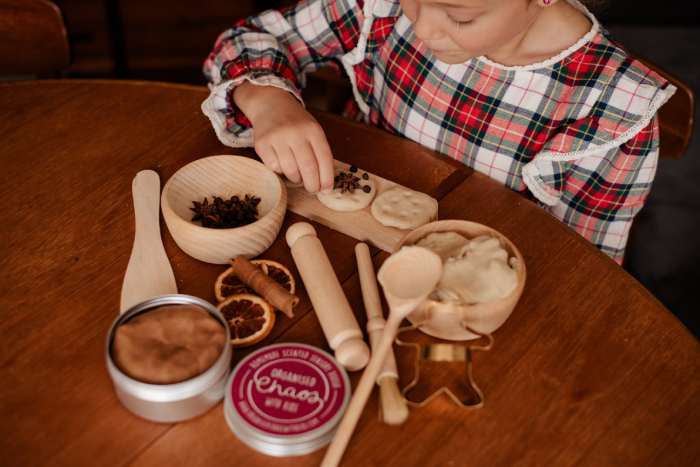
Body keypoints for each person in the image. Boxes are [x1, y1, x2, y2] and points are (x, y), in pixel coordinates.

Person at [201, 0, 675, 264]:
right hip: (334, 247)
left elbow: (581, 270)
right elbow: (252, 38)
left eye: (460, 17)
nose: (422, 26)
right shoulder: (383, 8)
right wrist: (268, 101)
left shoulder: (614, 110)